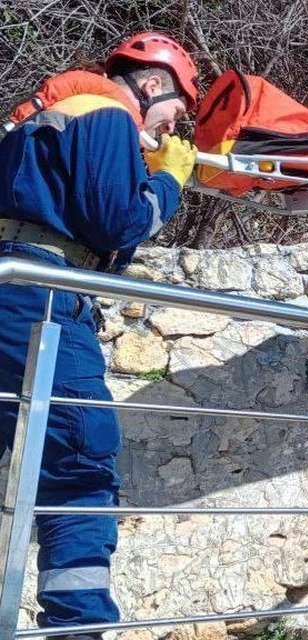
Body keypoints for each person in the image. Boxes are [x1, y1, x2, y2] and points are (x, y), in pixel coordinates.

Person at [0, 32, 199, 634]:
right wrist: (168, 182)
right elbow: (115, 225)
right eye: (176, 112)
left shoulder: (45, 120)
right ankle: (77, 626)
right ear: (152, 84)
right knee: (78, 460)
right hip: (41, 298)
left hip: (15, 288)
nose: (172, 128)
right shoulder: (109, 113)